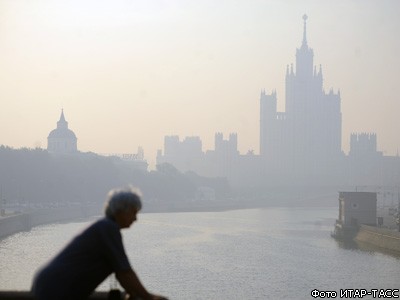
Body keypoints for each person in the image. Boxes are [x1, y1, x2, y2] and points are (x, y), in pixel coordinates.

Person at [32, 187, 168, 300]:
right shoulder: (109, 228)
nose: (135, 218)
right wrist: (148, 297)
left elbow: (122, 273)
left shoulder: (104, 227)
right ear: (121, 211)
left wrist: (133, 293)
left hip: (51, 284)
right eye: (133, 213)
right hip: (57, 287)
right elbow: (125, 272)